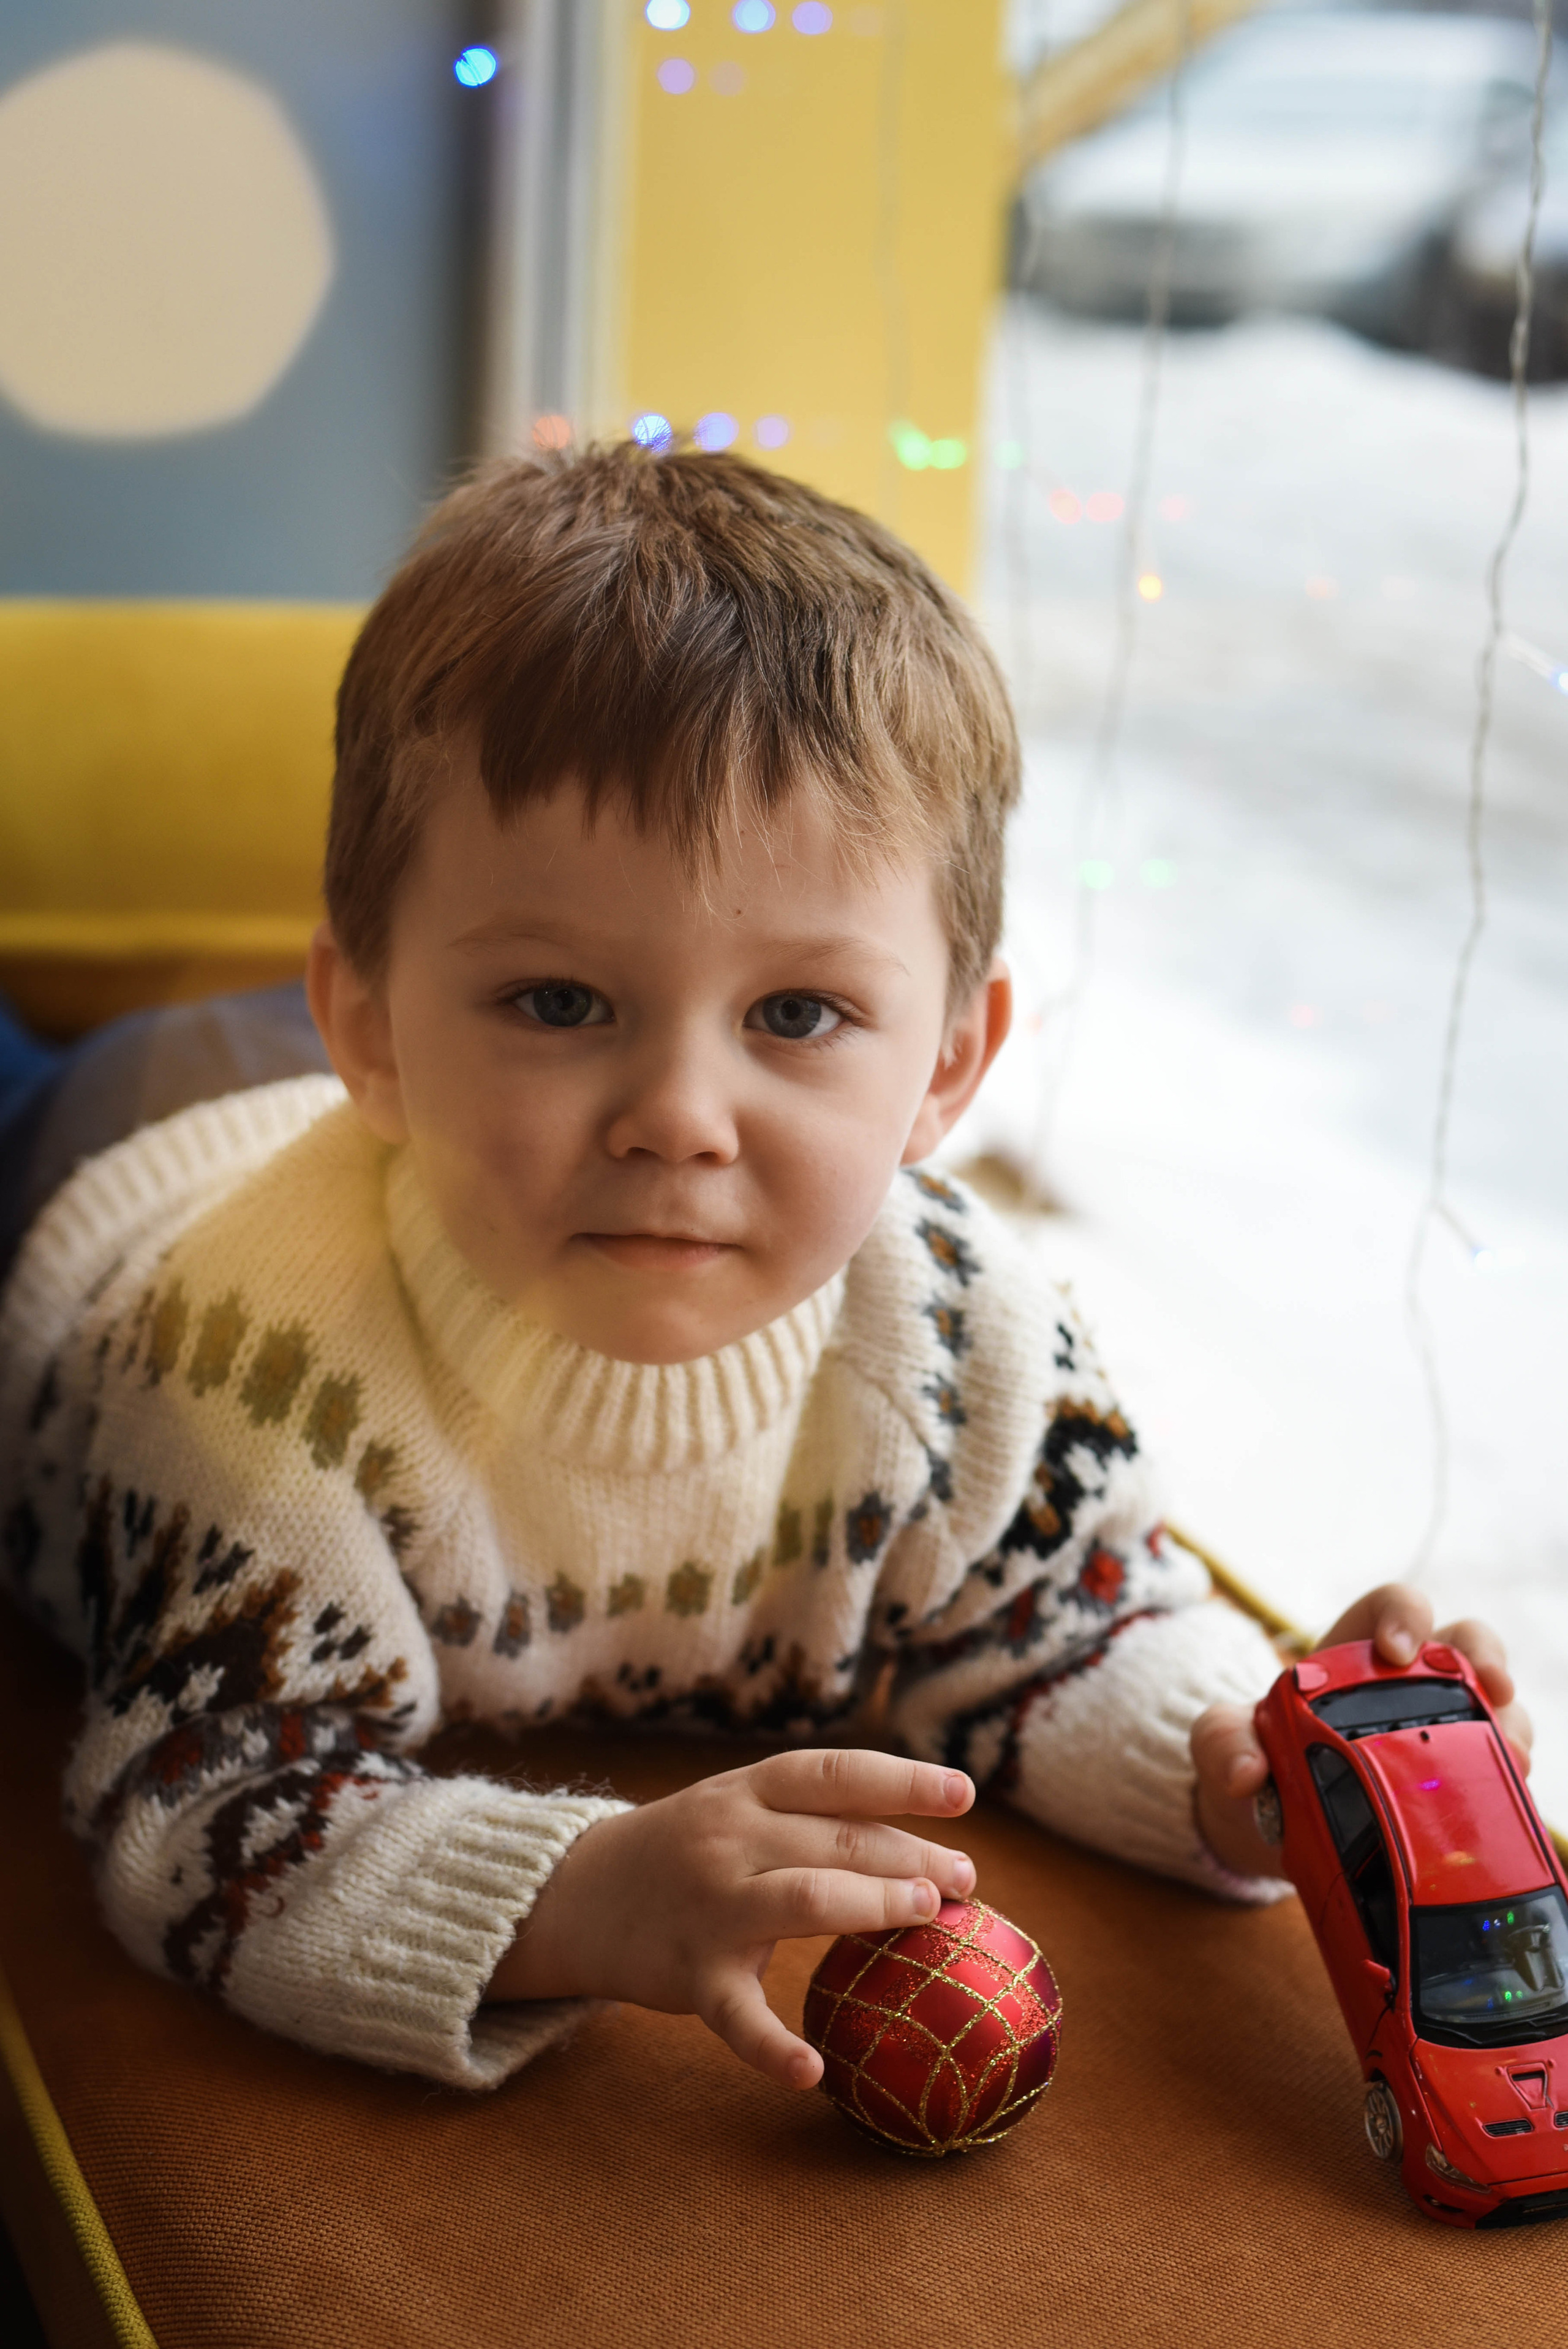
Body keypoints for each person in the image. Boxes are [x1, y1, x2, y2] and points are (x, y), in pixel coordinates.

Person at [0, 445, 1529, 2094]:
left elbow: (1060, 1627)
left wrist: (1240, 1767)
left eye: (797, 1014)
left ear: (949, 1063)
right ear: (367, 1028)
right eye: (561, 1000)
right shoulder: (255, 1365)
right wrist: (574, 1899)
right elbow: (205, 1803)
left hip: (407, 1122)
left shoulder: (961, 1336)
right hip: (128, 1174)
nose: (679, 1116)